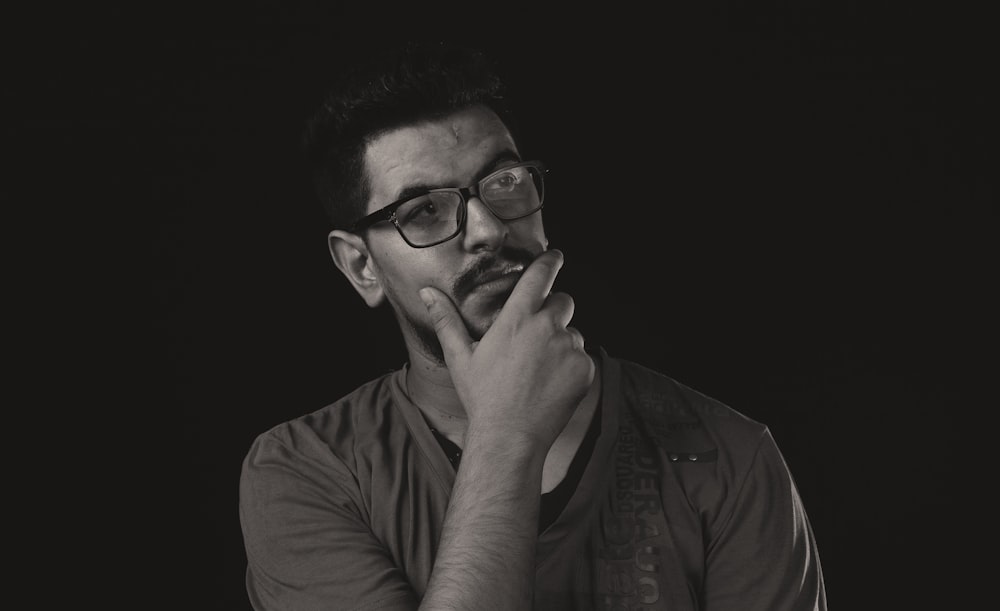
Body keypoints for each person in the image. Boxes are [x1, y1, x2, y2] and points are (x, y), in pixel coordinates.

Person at [239, 42, 827, 611]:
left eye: (505, 182)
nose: (489, 231)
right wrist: (508, 436)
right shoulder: (306, 469)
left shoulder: (728, 455)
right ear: (361, 265)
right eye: (425, 211)